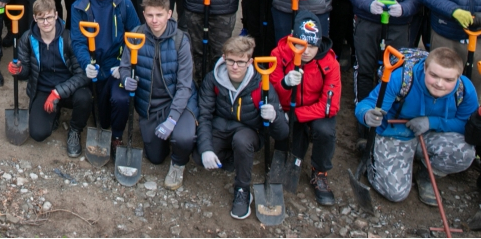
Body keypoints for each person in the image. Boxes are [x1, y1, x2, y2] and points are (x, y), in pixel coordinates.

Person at [355, 47, 478, 205]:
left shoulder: (465, 91)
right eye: (434, 75)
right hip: (396, 133)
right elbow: (368, 104)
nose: (440, 84)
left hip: (432, 134)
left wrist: (431, 122)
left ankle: (426, 174)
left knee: (465, 152)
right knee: (395, 193)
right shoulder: (402, 79)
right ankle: (373, 153)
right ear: (425, 68)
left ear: (458, 77)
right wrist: (367, 115)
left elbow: (467, 125)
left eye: (448, 80)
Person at [197, 35, 288, 220]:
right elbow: (204, 116)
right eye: (230, 61)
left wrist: (275, 117)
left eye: (240, 61)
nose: (235, 66)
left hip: (248, 132)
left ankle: (242, 190)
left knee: (241, 141)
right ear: (224, 58)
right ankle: (234, 158)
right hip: (221, 128)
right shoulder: (212, 80)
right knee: (199, 157)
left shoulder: (262, 85)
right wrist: (206, 149)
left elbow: (282, 133)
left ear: (250, 61)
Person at [119, 0, 197, 190]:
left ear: (169, 14)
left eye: (159, 15)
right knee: (155, 157)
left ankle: (179, 162)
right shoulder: (135, 35)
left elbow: (184, 85)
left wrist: (172, 120)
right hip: (150, 106)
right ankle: (165, 142)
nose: (154, 20)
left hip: (177, 101)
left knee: (183, 138)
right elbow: (125, 66)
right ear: (144, 14)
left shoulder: (180, 41)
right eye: (150, 15)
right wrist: (126, 78)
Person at [269, 11, 341, 205]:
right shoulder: (279, 55)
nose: (307, 51)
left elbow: (330, 106)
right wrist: (284, 84)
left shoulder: (329, 63)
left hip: (314, 111)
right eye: (301, 45)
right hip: (287, 108)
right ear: (292, 41)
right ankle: (289, 157)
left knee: (324, 131)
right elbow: (272, 94)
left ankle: (320, 172)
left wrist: (298, 115)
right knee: (288, 144)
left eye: (312, 46)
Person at [69, 0, 140, 157]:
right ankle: (102, 121)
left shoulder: (124, 4)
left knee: (121, 99)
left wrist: (124, 65)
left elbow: (136, 37)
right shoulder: (79, 7)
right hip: (94, 68)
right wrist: (86, 63)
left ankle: (116, 137)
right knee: (101, 119)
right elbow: (77, 41)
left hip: (116, 67)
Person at [7, 0, 90, 156]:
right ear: (34, 19)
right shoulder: (28, 39)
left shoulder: (69, 38)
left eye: (49, 17)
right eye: (41, 18)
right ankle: (55, 112)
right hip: (43, 90)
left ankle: (75, 130)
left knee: (85, 97)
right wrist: (18, 70)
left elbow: (82, 75)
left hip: (67, 89)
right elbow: (25, 74)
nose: (46, 22)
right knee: (38, 134)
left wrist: (58, 92)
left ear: (56, 15)